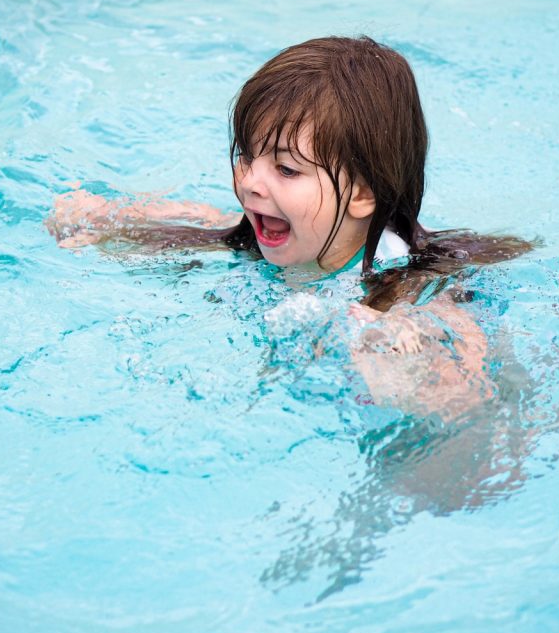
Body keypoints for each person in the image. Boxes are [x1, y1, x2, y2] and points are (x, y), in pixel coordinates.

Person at [47, 36, 533, 419]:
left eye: (286, 170)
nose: (250, 183)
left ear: (364, 193)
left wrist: (410, 369)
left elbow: (467, 398)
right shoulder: (270, 235)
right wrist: (111, 219)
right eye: (247, 156)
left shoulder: (416, 290)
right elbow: (210, 225)